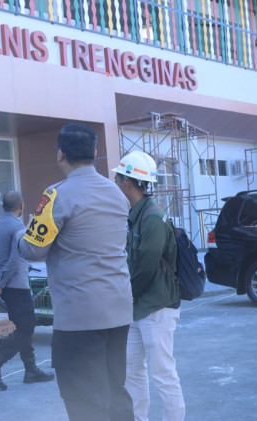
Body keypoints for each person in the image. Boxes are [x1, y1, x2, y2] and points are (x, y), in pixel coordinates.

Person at [18, 123, 135, 421]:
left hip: (79, 316)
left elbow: (32, 249)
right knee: (114, 390)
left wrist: (21, 234)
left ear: (60, 154)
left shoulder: (57, 195)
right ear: (95, 152)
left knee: (84, 400)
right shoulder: (117, 193)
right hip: (119, 311)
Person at [113, 151, 185, 421]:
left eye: (118, 179)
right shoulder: (138, 214)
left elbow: (146, 265)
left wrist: (129, 293)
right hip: (140, 307)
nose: (116, 184)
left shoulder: (152, 217)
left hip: (156, 307)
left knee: (163, 374)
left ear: (127, 183)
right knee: (132, 371)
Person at [0, 190, 54, 390]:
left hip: (5, 287)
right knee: (27, 327)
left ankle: (31, 370)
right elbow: (15, 259)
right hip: (16, 286)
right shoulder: (18, 228)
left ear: (3, 206)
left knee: (21, 326)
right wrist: (1, 283)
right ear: (21, 206)